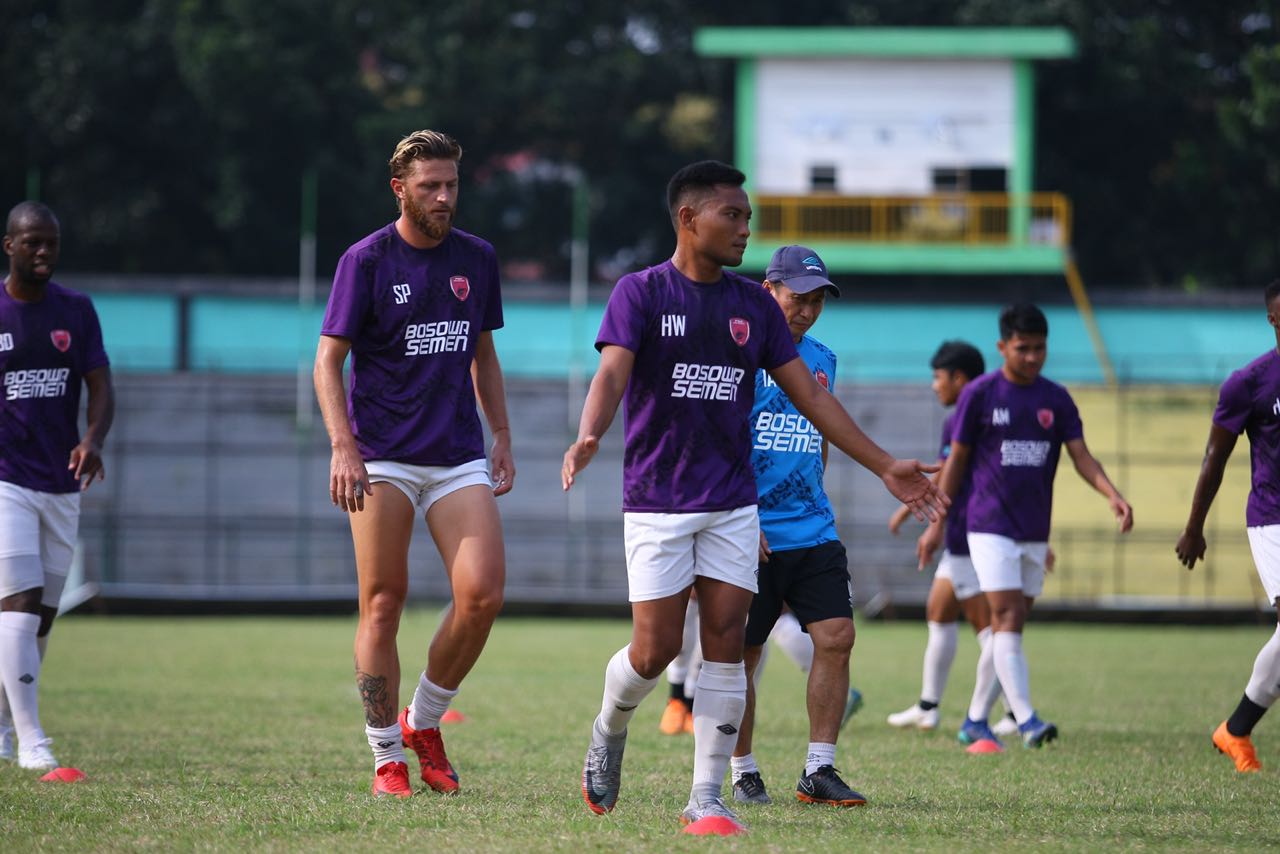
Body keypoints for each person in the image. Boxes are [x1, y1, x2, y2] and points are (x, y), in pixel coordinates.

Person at [562, 161, 946, 833]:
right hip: (658, 500)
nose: (745, 229)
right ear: (689, 219)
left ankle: (706, 796)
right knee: (653, 652)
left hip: (736, 506)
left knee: (725, 647)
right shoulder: (640, 292)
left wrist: (886, 465)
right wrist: (589, 432)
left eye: (747, 217)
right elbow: (612, 373)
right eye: (732, 216)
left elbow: (813, 401)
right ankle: (609, 725)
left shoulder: (752, 308)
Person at [314, 130, 514, 799]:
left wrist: (501, 434)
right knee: (382, 604)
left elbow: (483, 353)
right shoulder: (365, 260)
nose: (444, 197)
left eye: (451, 184)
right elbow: (327, 362)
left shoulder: (477, 258)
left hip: (455, 454)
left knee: (482, 595)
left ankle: (422, 722)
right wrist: (343, 446)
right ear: (400, 189)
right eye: (430, 186)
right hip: (381, 457)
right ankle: (386, 758)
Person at [918, 302, 1132, 751]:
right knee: (1008, 618)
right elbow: (956, 462)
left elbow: (1081, 456)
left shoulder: (1056, 399)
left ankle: (976, 719)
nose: (1033, 357)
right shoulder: (980, 395)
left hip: (1034, 529)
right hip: (988, 526)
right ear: (1003, 347)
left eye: (1039, 348)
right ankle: (1027, 719)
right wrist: (937, 522)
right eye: (1023, 348)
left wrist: (1112, 494)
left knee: (1007, 630)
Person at [728, 245, 865, 809]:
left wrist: (816, 493)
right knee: (742, 655)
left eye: (817, 301)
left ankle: (819, 770)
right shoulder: (737, 354)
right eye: (798, 298)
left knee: (837, 638)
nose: (807, 310)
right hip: (748, 530)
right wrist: (739, 514)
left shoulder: (823, 358)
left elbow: (821, 436)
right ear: (769, 290)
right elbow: (720, 439)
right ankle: (742, 769)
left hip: (813, 530)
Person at [0, 201, 114, 772]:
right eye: (33, 242)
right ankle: (32, 740)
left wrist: (92, 439)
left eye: (51, 242)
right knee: (19, 601)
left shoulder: (76, 309)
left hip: (62, 482)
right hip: (6, 481)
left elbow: (102, 386)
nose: (44, 251)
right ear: (10, 246)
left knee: (41, 616)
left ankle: (2, 725)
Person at [887, 340, 1018, 736]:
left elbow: (950, 473)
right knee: (940, 611)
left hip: (970, 531)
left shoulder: (964, 415)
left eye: (937, 377)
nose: (934, 385)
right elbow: (948, 470)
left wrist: (934, 526)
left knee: (992, 629)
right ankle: (928, 707)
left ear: (959, 379)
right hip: (978, 529)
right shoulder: (995, 411)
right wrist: (909, 508)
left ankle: (1015, 711)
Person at [1176, 279, 1280, 773]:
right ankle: (1236, 729)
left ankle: (1235, 730)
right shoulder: (1249, 383)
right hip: (1273, 518)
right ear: (1273, 318)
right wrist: (1194, 526)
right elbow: (1214, 459)